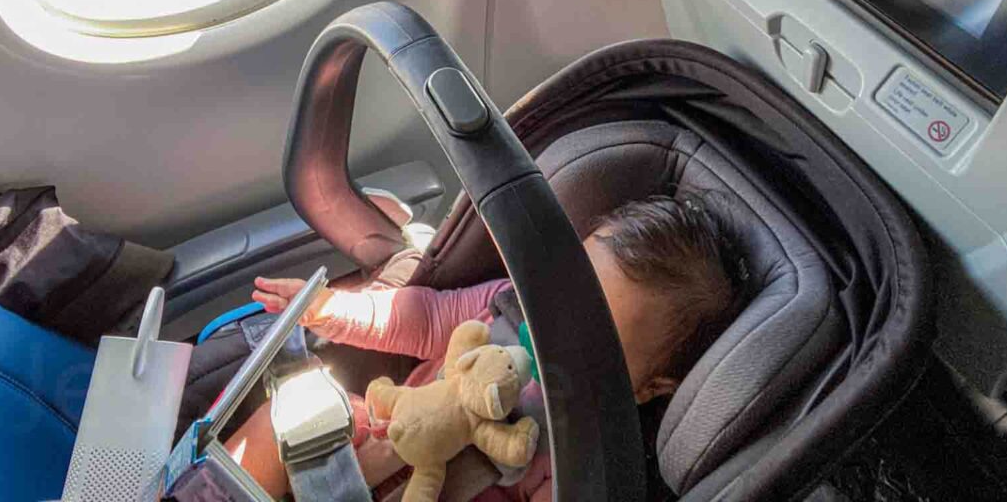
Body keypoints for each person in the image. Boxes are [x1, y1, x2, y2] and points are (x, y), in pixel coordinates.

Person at [226, 192, 744, 500]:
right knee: (299, 407)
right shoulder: (505, 303)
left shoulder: (585, 449)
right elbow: (417, 316)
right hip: (364, 450)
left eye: (594, 336)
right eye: (563, 293)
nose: (554, 326)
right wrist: (328, 310)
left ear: (647, 385)